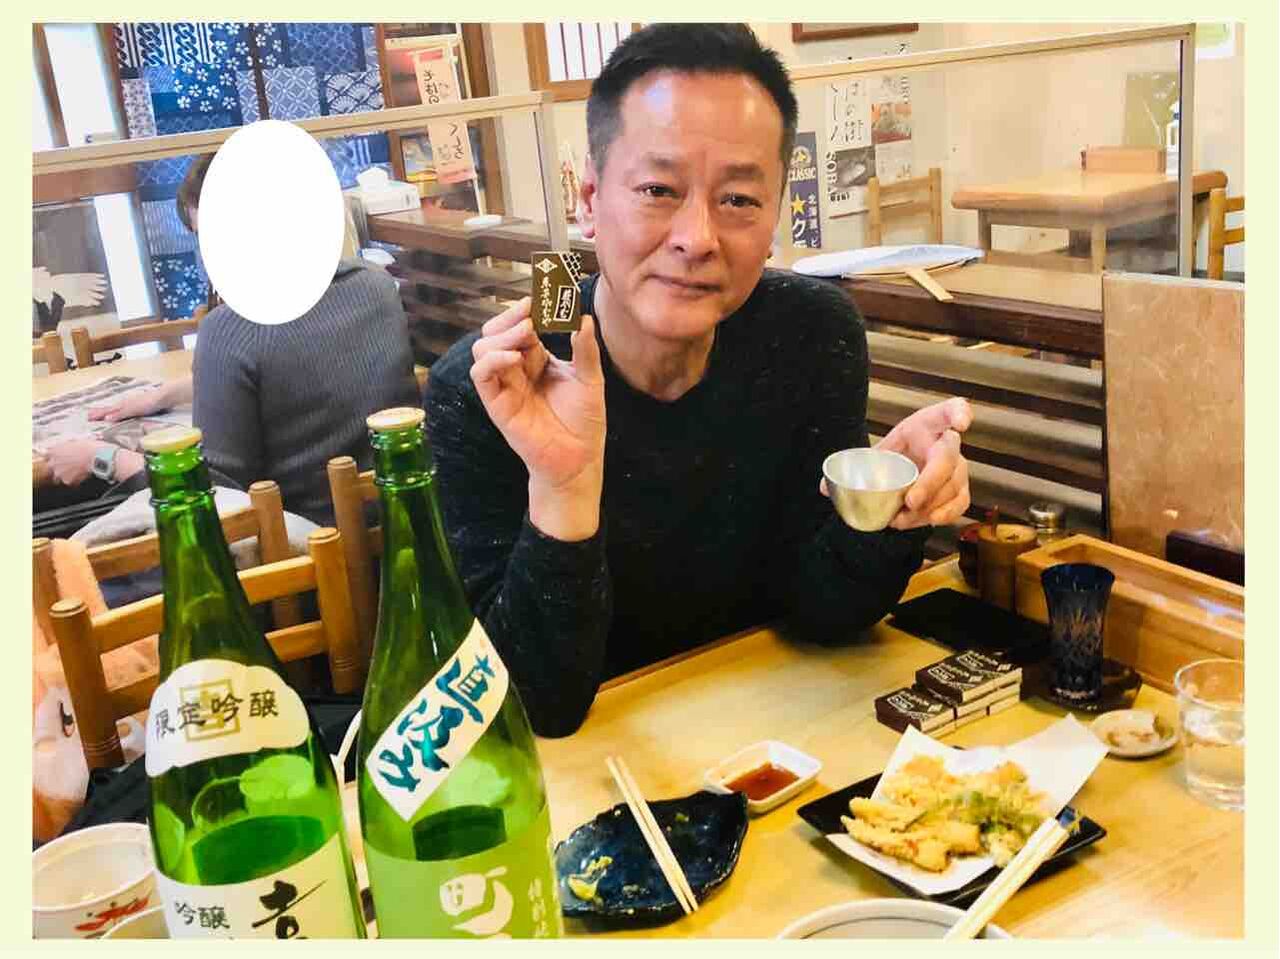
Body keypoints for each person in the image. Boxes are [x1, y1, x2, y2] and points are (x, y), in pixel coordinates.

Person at [424, 24, 973, 739]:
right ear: (589, 199)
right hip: (592, 768)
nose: (697, 238)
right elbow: (526, 709)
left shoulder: (809, 334)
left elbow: (826, 612)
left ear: (776, 216)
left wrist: (880, 507)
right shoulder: (493, 390)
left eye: (738, 199)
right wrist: (563, 489)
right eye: (658, 189)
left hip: (773, 735)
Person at [43, 152, 420, 526]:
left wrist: (102, 458)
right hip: (403, 521)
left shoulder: (229, 329)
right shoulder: (375, 285)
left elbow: (217, 492)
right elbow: (304, 369)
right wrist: (167, 394)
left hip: (302, 547)